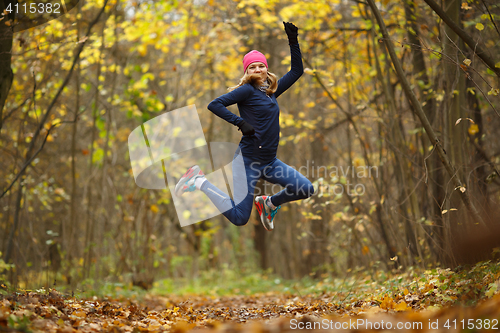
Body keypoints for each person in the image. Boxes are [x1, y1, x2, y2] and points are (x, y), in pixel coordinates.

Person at [175, 22, 314, 231]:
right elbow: (214, 104)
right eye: (252, 67)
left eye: (261, 65)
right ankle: (199, 181)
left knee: (305, 188)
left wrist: (293, 41)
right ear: (247, 71)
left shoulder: (271, 92)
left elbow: (296, 70)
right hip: (247, 161)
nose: (258, 69)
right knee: (240, 218)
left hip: (269, 161)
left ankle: (269, 203)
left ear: (267, 69)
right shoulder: (246, 91)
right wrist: (240, 122)